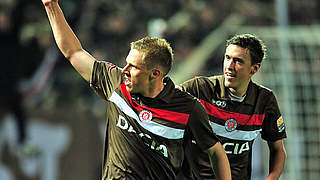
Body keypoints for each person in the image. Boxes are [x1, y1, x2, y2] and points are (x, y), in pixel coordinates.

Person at [41, 0, 232, 179]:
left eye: (134, 67)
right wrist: (51, 6)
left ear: (155, 74)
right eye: (126, 63)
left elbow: (215, 150)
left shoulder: (187, 108)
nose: (125, 70)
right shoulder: (117, 84)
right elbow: (74, 52)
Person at [180, 34, 287, 180]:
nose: (229, 66)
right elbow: (164, 99)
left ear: (254, 68)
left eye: (238, 61)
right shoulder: (199, 89)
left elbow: (278, 149)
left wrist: (272, 178)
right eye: (227, 58)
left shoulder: (264, 101)